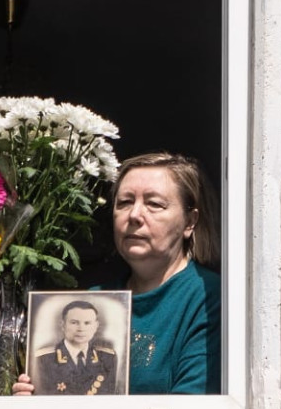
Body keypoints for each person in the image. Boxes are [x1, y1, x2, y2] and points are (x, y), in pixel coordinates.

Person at [14, 152, 221, 395]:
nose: (134, 215)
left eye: (154, 204)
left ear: (189, 222)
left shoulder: (208, 297)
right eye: (124, 202)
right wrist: (33, 398)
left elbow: (192, 406)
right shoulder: (96, 299)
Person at [31, 300, 118, 395]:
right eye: (74, 323)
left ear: (96, 326)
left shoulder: (107, 358)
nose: (81, 329)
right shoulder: (43, 359)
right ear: (63, 325)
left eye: (87, 323)